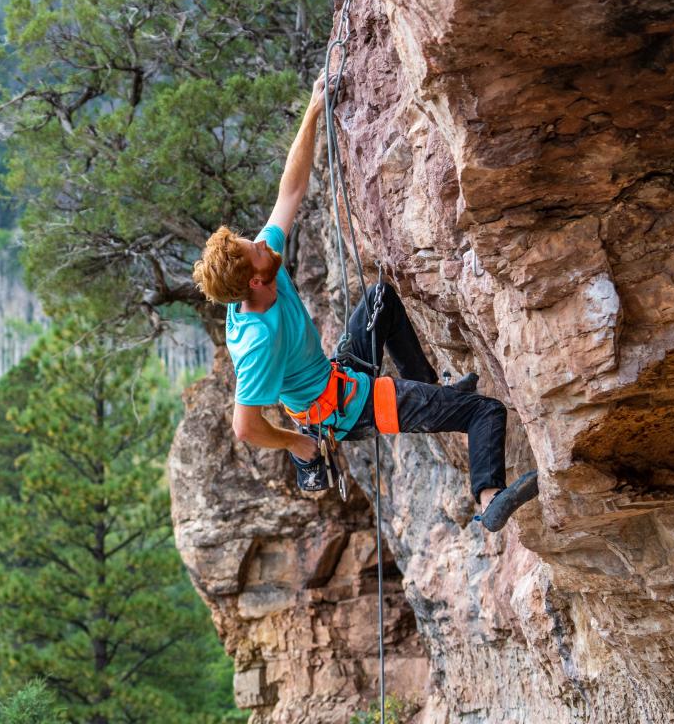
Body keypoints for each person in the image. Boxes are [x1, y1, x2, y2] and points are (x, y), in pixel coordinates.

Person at [191, 75, 538, 531]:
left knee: (379, 299)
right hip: (351, 408)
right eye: (253, 247)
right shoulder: (258, 340)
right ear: (254, 280)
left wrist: (314, 110)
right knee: (486, 412)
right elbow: (245, 426)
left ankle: (433, 388)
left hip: (338, 375)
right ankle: (490, 497)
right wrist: (296, 445)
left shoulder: (261, 268)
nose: (261, 242)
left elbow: (289, 191)